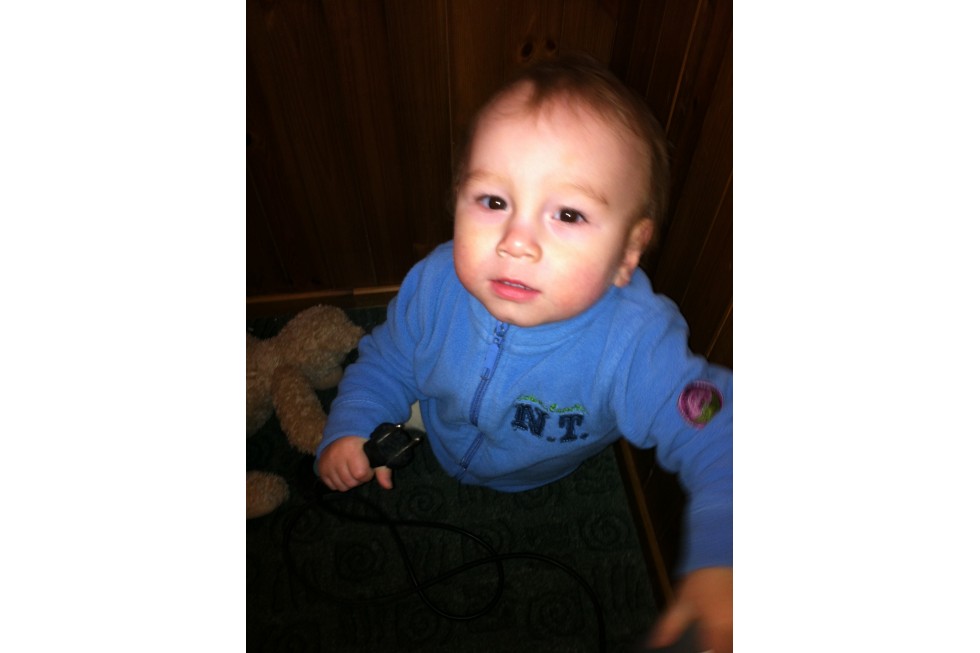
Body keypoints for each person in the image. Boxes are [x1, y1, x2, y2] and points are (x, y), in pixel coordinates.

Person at [315, 54, 733, 653]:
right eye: (493, 201)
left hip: (538, 479)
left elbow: (722, 430)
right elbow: (388, 357)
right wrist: (352, 423)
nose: (516, 242)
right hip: (436, 425)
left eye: (568, 214)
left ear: (627, 252)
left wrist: (724, 558)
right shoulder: (435, 284)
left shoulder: (639, 347)